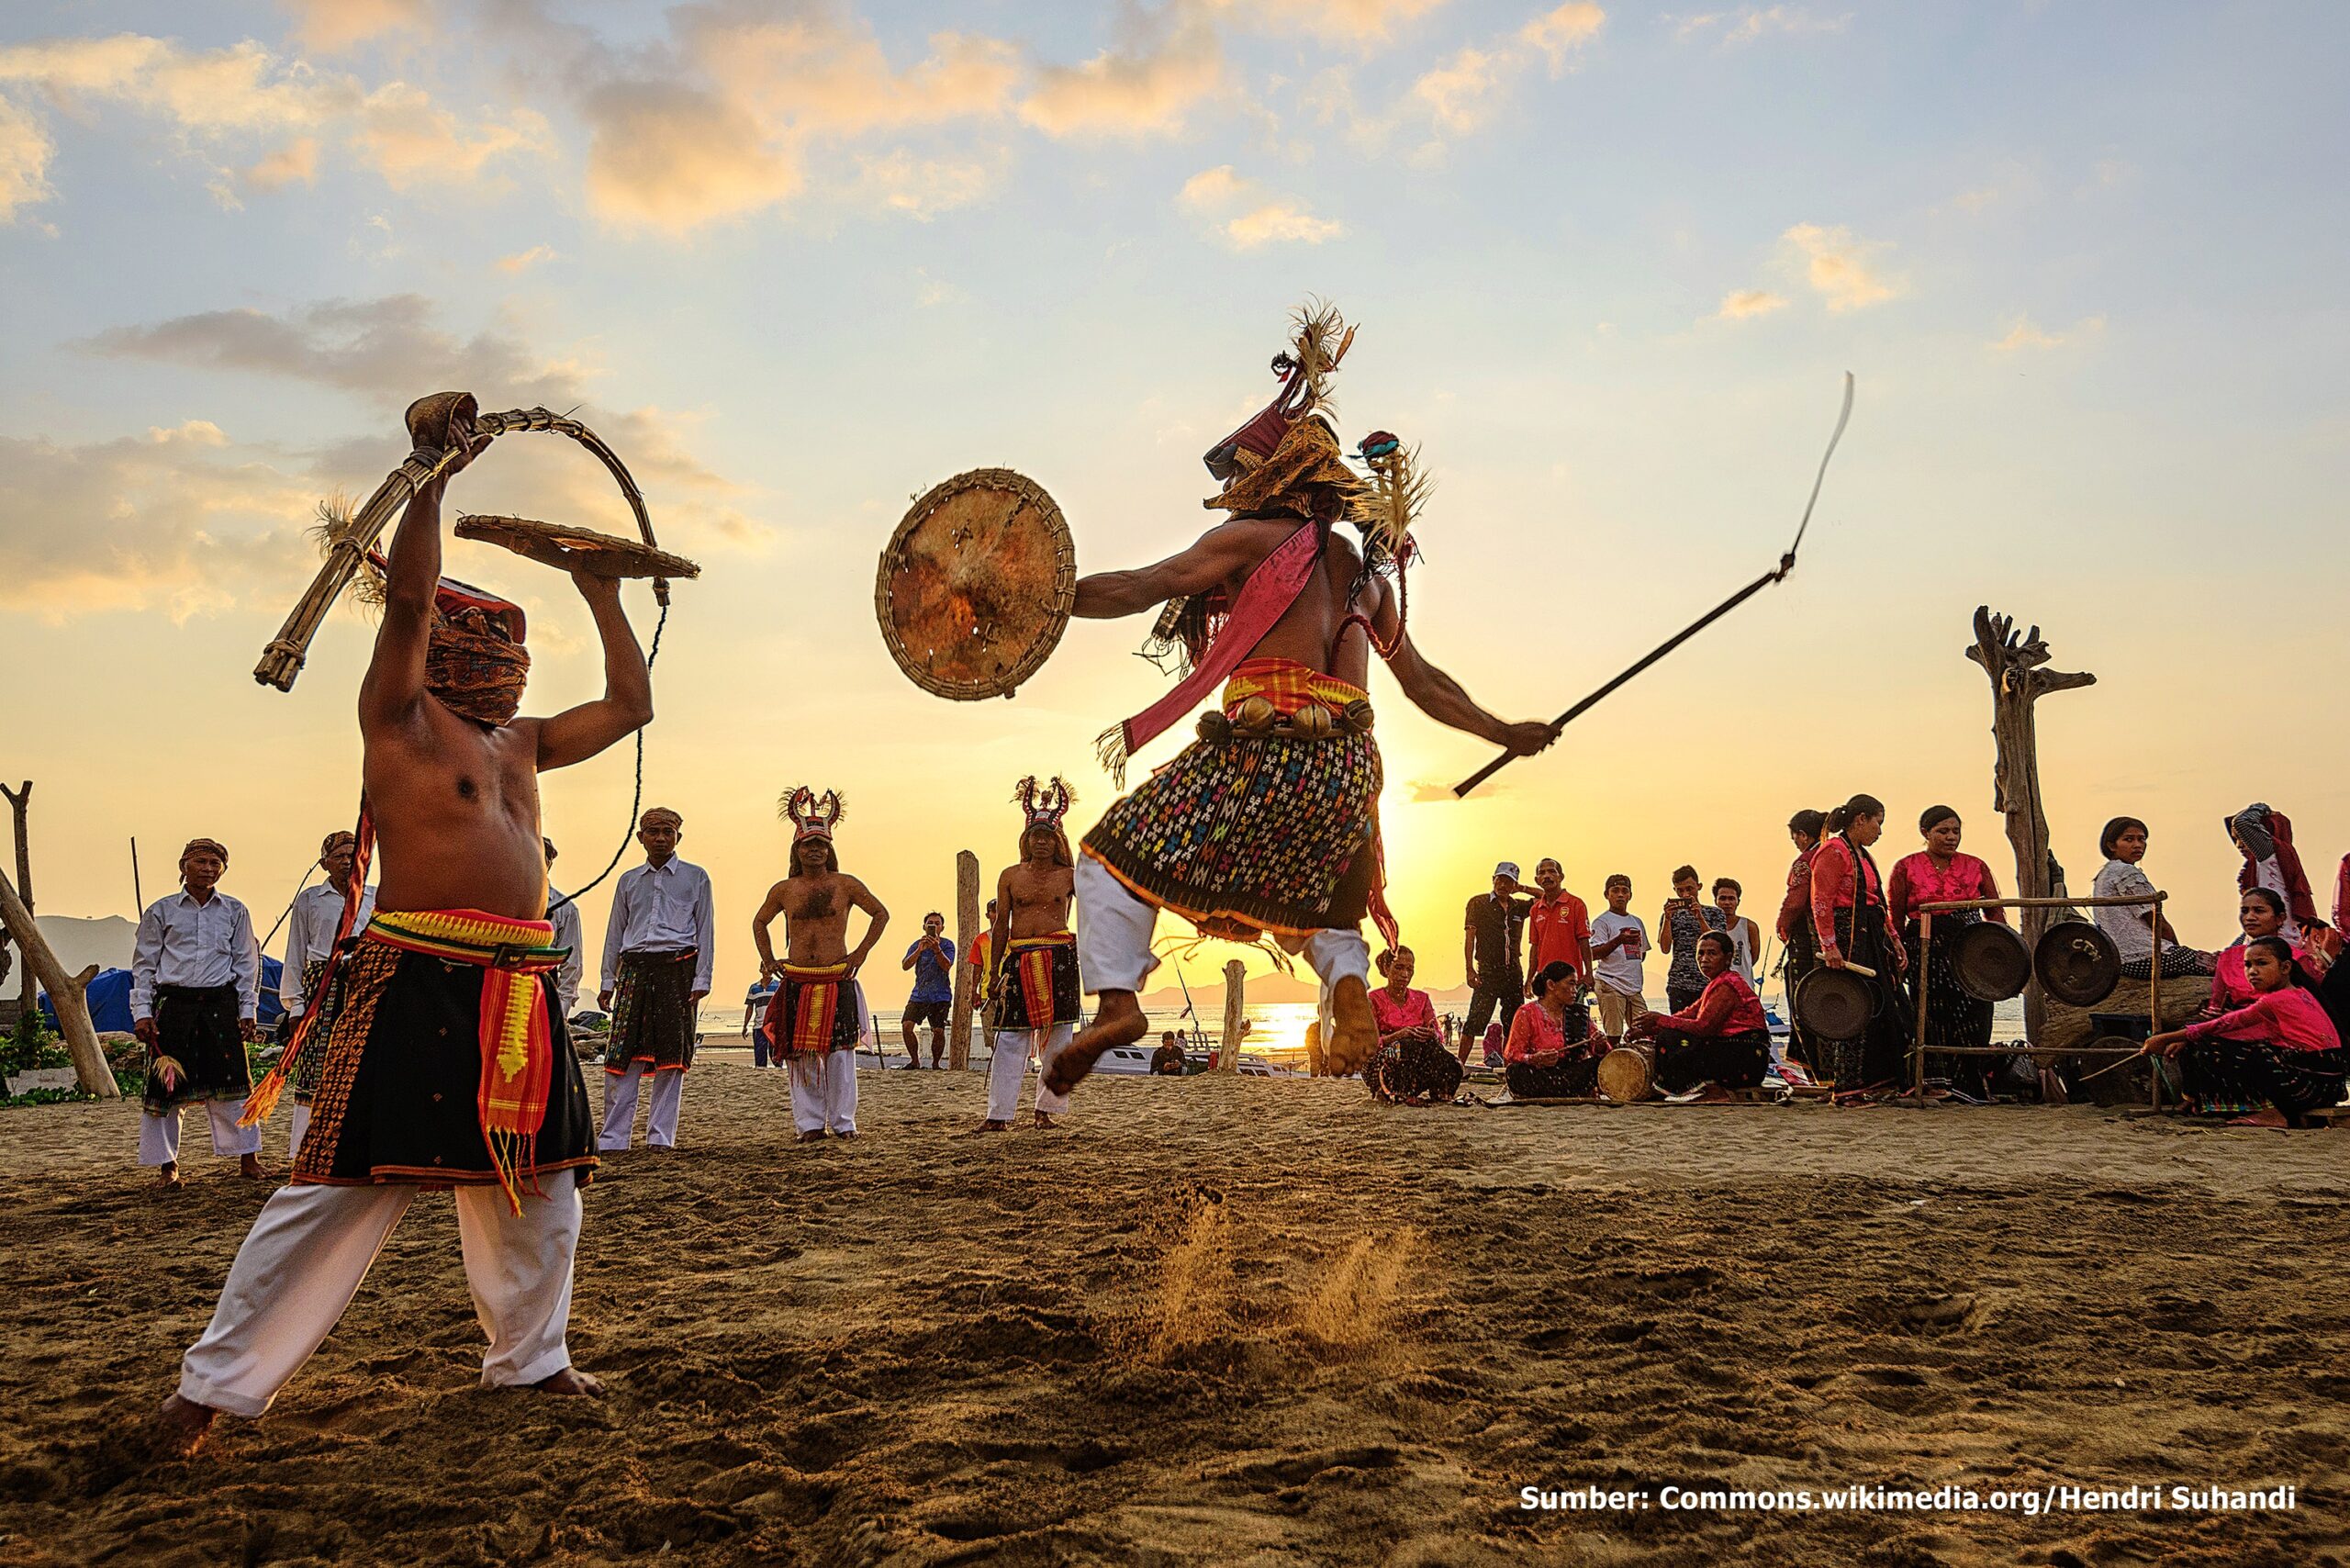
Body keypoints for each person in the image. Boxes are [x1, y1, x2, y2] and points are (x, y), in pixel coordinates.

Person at [165, 422, 648, 1450]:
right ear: (454, 655)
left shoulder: (523, 743)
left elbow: (630, 703)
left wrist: (601, 586)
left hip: (521, 987)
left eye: (522, 659)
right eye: (499, 655)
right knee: (336, 1190)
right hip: (416, 974)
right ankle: (213, 1387)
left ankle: (532, 1360)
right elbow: (410, 601)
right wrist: (434, 482)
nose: (517, 675)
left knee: (539, 1183)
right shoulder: (401, 720)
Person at [1047, 304, 1554, 1103]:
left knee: (1112, 857)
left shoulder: (1250, 541)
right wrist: (1504, 731)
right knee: (1315, 894)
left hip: (1259, 743)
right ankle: (1348, 988)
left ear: (1270, 481)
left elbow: (1146, 586)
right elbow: (1424, 684)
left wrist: (1046, 604)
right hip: (1347, 769)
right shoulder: (1364, 573)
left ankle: (1115, 1005)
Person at [755, 790, 888, 1143]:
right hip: (797, 977)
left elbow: (880, 914)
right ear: (797, 850)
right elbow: (759, 922)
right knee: (800, 1055)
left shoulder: (846, 885)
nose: (814, 850)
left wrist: (860, 953)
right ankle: (810, 1124)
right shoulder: (784, 889)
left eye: (820, 845)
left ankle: (844, 1122)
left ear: (829, 849)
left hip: (836, 975)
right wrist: (768, 960)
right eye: (807, 845)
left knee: (841, 1053)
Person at [132, 837, 264, 1186]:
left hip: (221, 1006)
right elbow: (144, 965)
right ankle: (168, 1167)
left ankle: (248, 1160)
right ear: (183, 866)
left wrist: (247, 1009)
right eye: (201, 862)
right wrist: (141, 1012)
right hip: (174, 1007)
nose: (208, 869)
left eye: (215, 863)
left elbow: (247, 964)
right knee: (167, 1088)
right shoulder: (161, 911)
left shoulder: (235, 911)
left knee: (234, 1084)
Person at [596, 808, 714, 1153]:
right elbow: (615, 931)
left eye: (667, 831)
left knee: (671, 1057)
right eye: (653, 832)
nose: (661, 838)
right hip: (633, 969)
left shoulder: (696, 877)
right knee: (622, 1054)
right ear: (640, 838)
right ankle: (614, 1139)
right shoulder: (628, 881)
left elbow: (705, 929)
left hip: (677, 969)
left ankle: (660, 1138)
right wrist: (608, 979)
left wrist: (702, 977)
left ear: (678, 836)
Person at [2147, 936, 2344, 1128]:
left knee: (2220, 1047)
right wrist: (2187, 1036)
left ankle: (2278, 1113)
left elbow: (2227, 1023)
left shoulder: (2276, 1000)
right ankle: (2207, 1103)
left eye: (2261, 964)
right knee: (2231, 1043)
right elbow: (2244, 1030)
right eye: (2248, 965)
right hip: (2330, 1087)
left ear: (2285, 968)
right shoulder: (2301, 992)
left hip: (2310, 1087)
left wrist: (2169, 1037)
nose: (2253, 971)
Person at [983, 778, 1082, 1130]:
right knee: (1010, 1036)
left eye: (1048, 837)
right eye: (1035, 836)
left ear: (1058, 841)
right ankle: (998, 1116)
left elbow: (1094, 912)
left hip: (1060, 958)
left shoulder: (1070, 876)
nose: (1041, 842)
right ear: (1025, 839)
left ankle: (1046, 1111)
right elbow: (1001, 927)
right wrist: (992, 973)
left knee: (1059, 1037)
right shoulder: (1010, 876)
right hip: (1020, 957)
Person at [1886, 805, 2006, 1093]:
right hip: (1925, 945)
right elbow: (1896, 915)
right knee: (1930, 1009)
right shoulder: (1906, 866)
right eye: (1943, 831)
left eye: (1956, 831)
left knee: (1976, 1006)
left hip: (1971, 946)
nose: (1951, 837)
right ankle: (1935, 1082)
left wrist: (2002, 951)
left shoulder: (1976, 865)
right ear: (1925, 833)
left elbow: (1995, 912)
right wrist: (1898, 953)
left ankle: (1971, 1082)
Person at [280, 829, 375, 1164]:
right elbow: (295, 953)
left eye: (355, 854)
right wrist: (294, 1006)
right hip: (322, 983)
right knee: (315, 1067)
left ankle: (362, 1146)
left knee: (367, 1062)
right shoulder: (310, 900)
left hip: (368, 983)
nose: (348, 861)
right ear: (324, 863)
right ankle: (304, 1149)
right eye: (340, 856)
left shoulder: (377, 897)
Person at [1809, 793, 1911, 1089]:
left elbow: (1878, 904)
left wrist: (1894, 940)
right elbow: (1821, 902)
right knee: (1851, 1008)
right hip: (1847, 938)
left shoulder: (1865, 857)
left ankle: (1877, 1080)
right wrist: (1830, 946)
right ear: (1861, 819)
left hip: (1871, 935)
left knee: (1883, 1007)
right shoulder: (1834, 851)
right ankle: (1846, 1085)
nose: (1879, 831)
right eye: (1878, 823)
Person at [1633, 930, 1772, 1095]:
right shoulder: (1717, 984)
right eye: (1701, 953)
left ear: (1727, 958)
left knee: (1671, 1038)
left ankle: (1687, 1087)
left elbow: (1703, 1027)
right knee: (1670, 1033)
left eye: (1712, 953)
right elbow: (1686, 1015)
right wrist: (1648, 1029)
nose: (1704, 959)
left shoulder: (1727, 986)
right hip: (1739, 1055)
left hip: (1746, 1061)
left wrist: (1659, 1020)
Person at [2091, 817, 2214, 979]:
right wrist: (2176, 949)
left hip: (2118, 959)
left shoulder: (2105, 874)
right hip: (2144, 956)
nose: (2137, 845)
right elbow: (2158, 923)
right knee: (2217, 965)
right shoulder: (2126, 872)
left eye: (2141, 839)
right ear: (2112, 845)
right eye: (2129, 839)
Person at [1460, 863, 1534, 1062]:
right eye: (1500, 879)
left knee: (1513, 1022)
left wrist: (1523, 889)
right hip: (1488, 970)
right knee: (1475, 1019)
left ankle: (1509, 1063)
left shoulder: (1519, 906)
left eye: (1508, 881)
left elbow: (1548, 896)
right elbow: (1470, 937)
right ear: (1493, 879)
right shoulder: (1479, 903)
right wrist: (1469, 970)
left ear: (1514, 884)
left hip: (1513, 971)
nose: (1503, 884)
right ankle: (1459, 1063)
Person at [2206, 890, 2322, 1014]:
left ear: (2280, 918)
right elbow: (2216, 1005)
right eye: (2245, 911)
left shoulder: (2297, 959)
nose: (2249, 917)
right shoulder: (2228, 957)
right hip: (2232, 1027)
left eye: (2259, 911)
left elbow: (2309, 1006)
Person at [1503, 959, 1603, 1098]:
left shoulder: (1579, 1014)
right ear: (1551, 985)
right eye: (1571, 984)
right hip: (1540, 1073)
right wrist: (1534, 1059)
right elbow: (1512, 1054)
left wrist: (1600, 1043)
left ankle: (1559, 1090)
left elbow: (1600, 1051)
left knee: (1597, 1065)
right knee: (1514, 1072)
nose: (1575, 990)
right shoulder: (1527, 1012)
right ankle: (1568, 1091)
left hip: (1570, 1073)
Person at [1775, 811, 1826, 1064]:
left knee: (1804, 999)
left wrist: (1781, 926)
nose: (1795, 842)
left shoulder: (1806, 861)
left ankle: (1813, 1065)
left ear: (1802, 835)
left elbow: (1795, 902)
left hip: (1807, 941)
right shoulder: (1837, 855)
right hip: (1835, 939)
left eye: (1795, 837)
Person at [2227, 803, 2317, 940]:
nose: (2239, 845)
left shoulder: (2272, 857)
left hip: (2281, 945)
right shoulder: (2256, 867)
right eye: (2236, 840)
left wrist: (2260, 807)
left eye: (2243, 838)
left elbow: (2242, 822)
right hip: (2263, 944)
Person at [1657, 865, 1728, 1014]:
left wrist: (1699, 917)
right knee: (1680, 1031)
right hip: (1679, 983)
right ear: (1674, 890)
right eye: (1680, 890)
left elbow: (1719, 943)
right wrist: (1668, 919)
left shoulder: (1715, 913)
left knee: (1710, 1031)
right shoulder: (1670, 916)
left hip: (1708, 982)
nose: (1685, 894)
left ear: (1699, 886)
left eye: (1689, 889)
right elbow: (1664, 948)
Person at [1588, 875, 1650, 1042]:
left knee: (1645, 1033)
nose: (1620, 895)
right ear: (1607, 895)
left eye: (1624, 891)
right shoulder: (1602, 922)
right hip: (1610, 983)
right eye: (1615, 891)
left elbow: (1642, 953)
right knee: (1613, 1036)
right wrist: (1619, 940)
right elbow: (1593, 953)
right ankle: (1609, 1066)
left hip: (1634, 986)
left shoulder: (1637, 921)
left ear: (1630, 895)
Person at [900, 912, 956, 1070]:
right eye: (930, 923)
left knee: (938, 1030)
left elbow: (947, 965)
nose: (934, 926)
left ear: (942, 927)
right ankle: (914, 1060)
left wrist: (937, 949)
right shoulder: (917, 944)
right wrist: (919, 950)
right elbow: (905, 965)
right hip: (919, 994)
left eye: (937, 924)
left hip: (940, 995)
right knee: (906, 1026)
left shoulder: (947, 945)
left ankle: (936, 1064)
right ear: (924, 926)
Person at [1527, 858, 1593, 990]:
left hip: (1571, 978)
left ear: (1561, 877)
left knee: (1570, 1011)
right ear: (1537, 880)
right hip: (1545, 979)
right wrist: (1529, 978)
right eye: (1542, 873)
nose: (1546, 876)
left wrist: (1589, 973)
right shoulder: (1535, 910)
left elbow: (1584, 941)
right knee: (1546, 1011)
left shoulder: (1576, 904)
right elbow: (1535, 946)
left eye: (1552, 871)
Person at [541, 838, 585, 1024]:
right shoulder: (502, 901)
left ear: (548, 862)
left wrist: (561, 1008)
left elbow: (572, 965)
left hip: (544, 989)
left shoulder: (565, 909)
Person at [1711, 879, 1761, 986]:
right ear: (1716, 901)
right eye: (1723, 898)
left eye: (1731, 899)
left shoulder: (1749, 926)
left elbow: (1753, 957)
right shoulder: (1710, 927)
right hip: (1717, 986)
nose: (1727, 903)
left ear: (1738, 901)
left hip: (1744, 986)